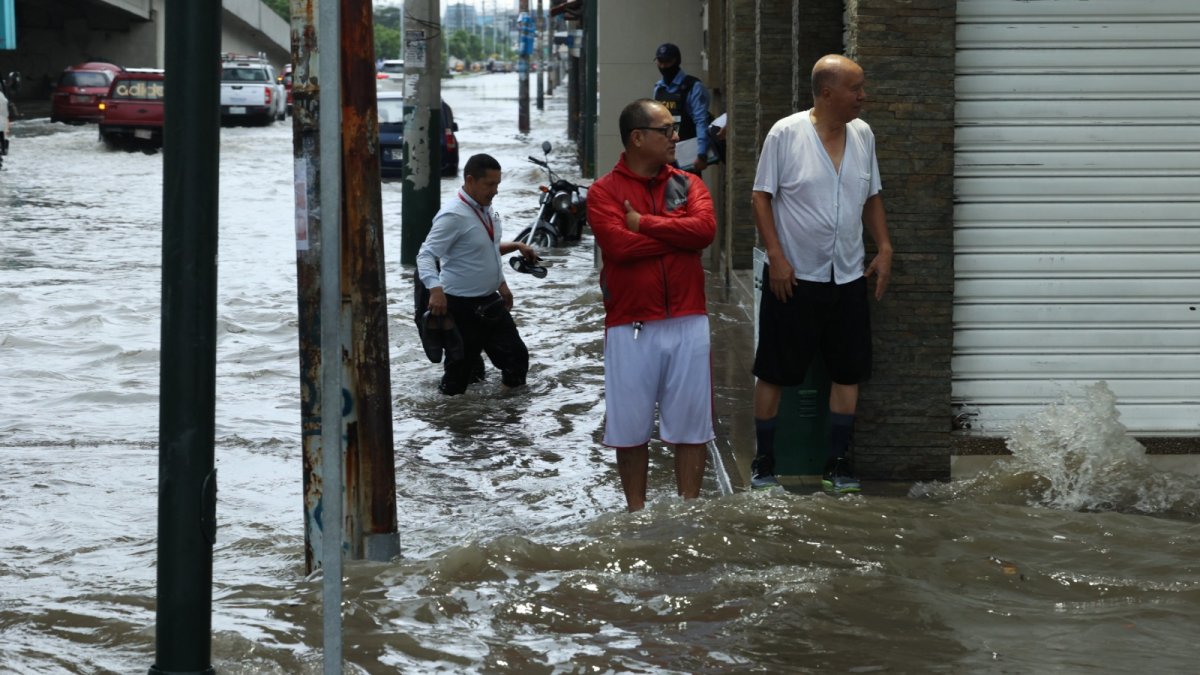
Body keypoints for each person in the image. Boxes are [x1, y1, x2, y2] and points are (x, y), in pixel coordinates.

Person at [749, 54, 894, 494]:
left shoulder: (863, 135)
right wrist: (777, 256)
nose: (863, 97)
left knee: (847, 372)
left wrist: (884, 246)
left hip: (847, 275)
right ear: (827, 93)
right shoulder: (786, 134)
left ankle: (837, 462)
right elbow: (760, 197)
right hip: (793, 277)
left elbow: (871, 196)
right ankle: (764, 461)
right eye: (856, 89)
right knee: (774, 371)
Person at [588, 99, 718, 512]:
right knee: (629, 430)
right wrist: (676, 235)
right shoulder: (603, 191)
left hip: (689, 317)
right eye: (666, 130)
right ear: (637, 138)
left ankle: (689, 512)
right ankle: (635, 514)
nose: (675, 137)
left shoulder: (689, 183)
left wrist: (644, 223)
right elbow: (619, 247)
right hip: (630, 323)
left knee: (692, 426)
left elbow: (705, 231)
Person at [415, 153, 540, 395]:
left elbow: (486, 251)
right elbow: (426, 255)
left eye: (498, 184)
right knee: (459, 379)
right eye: (490, 184)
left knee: (517, 360)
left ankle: (502, 420)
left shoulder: (487, 210)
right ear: (470, 181)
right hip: (460, 307)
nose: (495, 191)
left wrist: (502, 282)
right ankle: (454, 426)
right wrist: (435, 289)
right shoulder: (453, 215)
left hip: (490, 301)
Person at [652, 42, 711, 174]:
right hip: (664, 156)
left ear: (676, 61)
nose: (663, 66)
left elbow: (701, 121)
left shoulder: (693, 87)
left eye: (667, 62)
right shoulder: (659, 88)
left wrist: (701, 153)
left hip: (686, 156)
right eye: (660, 61)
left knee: (688, 192)